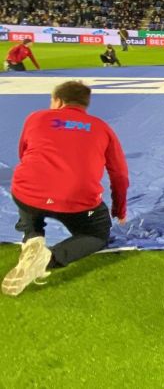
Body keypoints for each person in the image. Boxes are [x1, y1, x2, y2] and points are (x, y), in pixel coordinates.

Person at [2, 81, 129, 296]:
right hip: (77, 202)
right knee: (97, 234)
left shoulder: (36, 117)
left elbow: (24, 154)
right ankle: (49, 258)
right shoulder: (101, 127)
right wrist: (119, 210)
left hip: (28, 193)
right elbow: (120, 175)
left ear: (58, 101)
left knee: (29, 196)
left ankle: (32, 236)